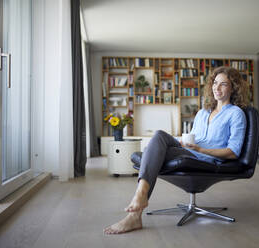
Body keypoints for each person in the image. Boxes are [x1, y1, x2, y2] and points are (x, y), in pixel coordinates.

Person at [104, 66, 249, 234]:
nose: (217, 88)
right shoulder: (203, 112)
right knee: (159, 136)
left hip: (205, 159)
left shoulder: (236, 114)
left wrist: (201, 150)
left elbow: (233, 151)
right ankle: (139, 200)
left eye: (223, 84)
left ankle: (136, 210)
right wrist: (183, 142)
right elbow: (194, 138)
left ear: (233, 87)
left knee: (154, 152)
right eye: (215, 83)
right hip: (190, 151)